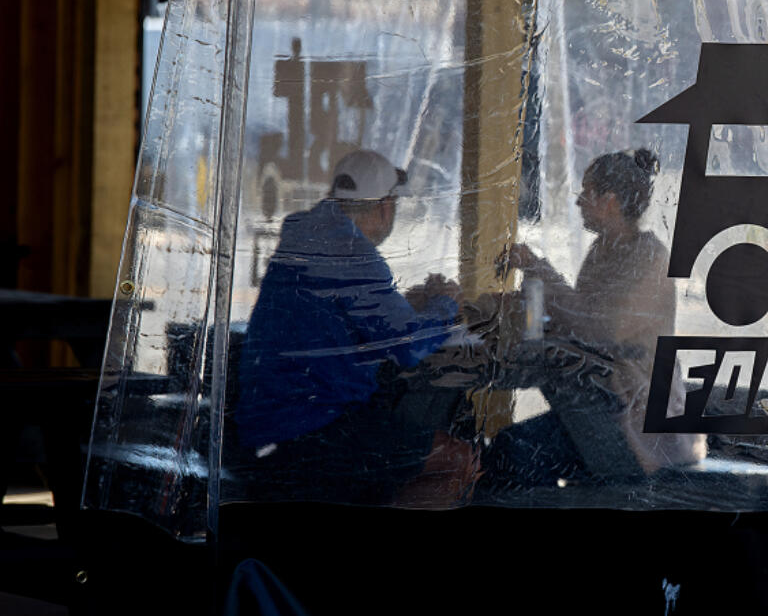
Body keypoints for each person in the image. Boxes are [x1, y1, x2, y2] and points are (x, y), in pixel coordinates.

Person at [233, 149, 467, 504]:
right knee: (457, 458)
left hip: (265, 423)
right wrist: (447, 303)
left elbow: (344, 313)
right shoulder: (352, 251)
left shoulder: (308, 234)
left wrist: (412, 305)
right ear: (385, 206)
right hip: (309, 428)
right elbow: (408, 347)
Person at [494, 148, 706, 483]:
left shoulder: (649, 257)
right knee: (509, 448)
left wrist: (539, 269)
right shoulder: (602, 251)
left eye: (585, 193)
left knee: (516, 452)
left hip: (639, 421)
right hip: (602, 403)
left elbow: (600, 329)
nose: (578, 202)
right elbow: (578, 316)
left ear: (609, 201)